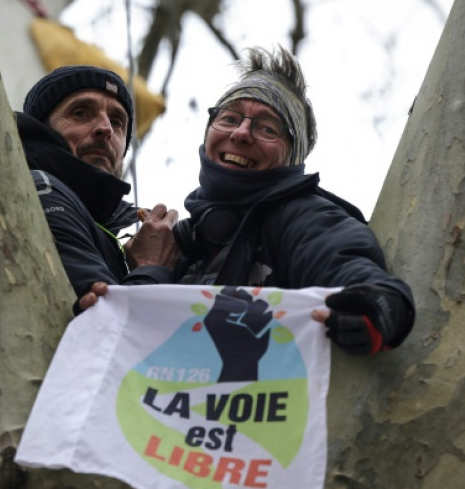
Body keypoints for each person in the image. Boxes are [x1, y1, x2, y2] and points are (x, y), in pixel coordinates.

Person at [171, 46, 416, 355]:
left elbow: (342, 263)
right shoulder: (174, 241)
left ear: (293, 157)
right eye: (229, 118)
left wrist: (381, 303)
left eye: (267, 128)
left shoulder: (302, 215)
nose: (242, 133)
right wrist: (150, 268)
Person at [16, 66, 179, 313]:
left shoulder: (126, 223)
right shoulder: (40, 189)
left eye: (117, 122)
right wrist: (151, 265)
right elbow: (111, 323)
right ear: (42, 128)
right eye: (81, 113)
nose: (106, 128)